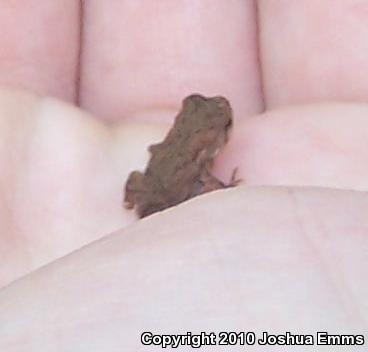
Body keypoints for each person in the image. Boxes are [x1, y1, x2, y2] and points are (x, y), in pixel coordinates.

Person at [0, 1, 367, 350]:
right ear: (212, 141)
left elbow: (166, 156)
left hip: (149, 177)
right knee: (175, 184)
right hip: (163, 192)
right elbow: (203, 180)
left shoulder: (190, 147)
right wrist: (227, 189)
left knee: (146, 177)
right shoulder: (201, 161)